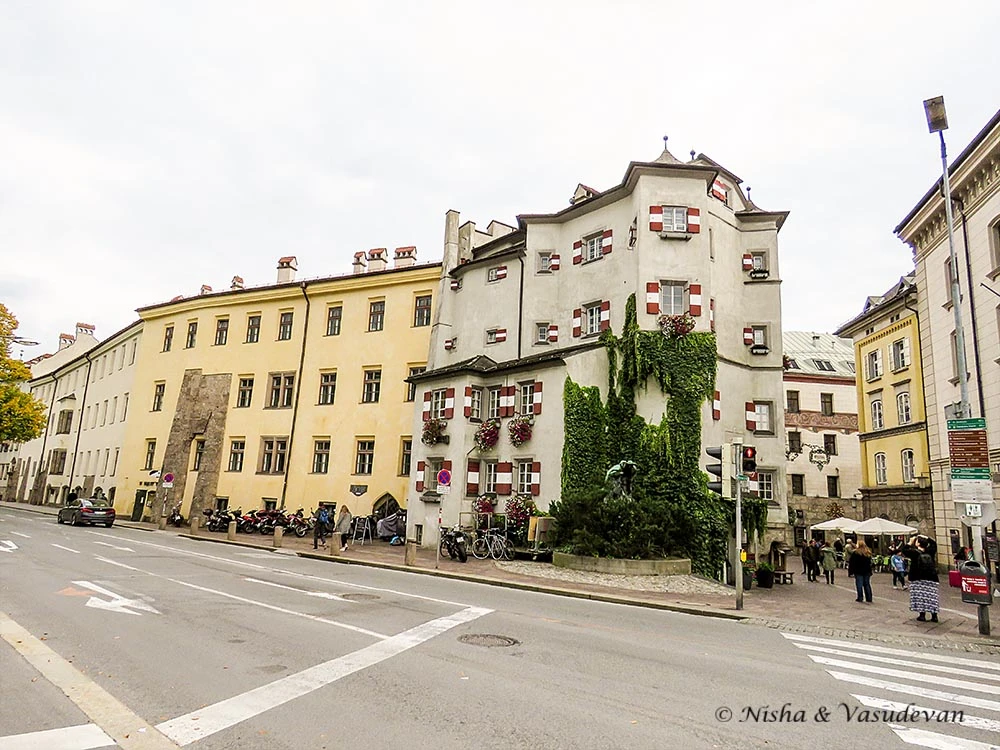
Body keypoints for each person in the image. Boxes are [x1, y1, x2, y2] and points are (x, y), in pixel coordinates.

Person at [903, 535, 940, 622]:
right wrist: (927, 538)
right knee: (932, 597)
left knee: (920, 596)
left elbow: (904, 550)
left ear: (918, 544)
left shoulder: (914, 553)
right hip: (931, 577)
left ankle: (922, 615)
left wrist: (910, 542)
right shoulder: (930, 551)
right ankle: (934, 616)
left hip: (917, 577)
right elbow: (934, 544)